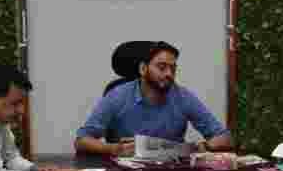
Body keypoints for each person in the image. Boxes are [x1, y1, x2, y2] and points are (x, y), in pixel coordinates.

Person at [75, 41, 233, 156]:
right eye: (162, 67)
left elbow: (224, 138)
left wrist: (201, 147)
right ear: (143, 69)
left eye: (173, 69)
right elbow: (81, 141)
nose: (169, 74)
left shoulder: (183, 96)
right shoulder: (118, 95)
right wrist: (115, 149)